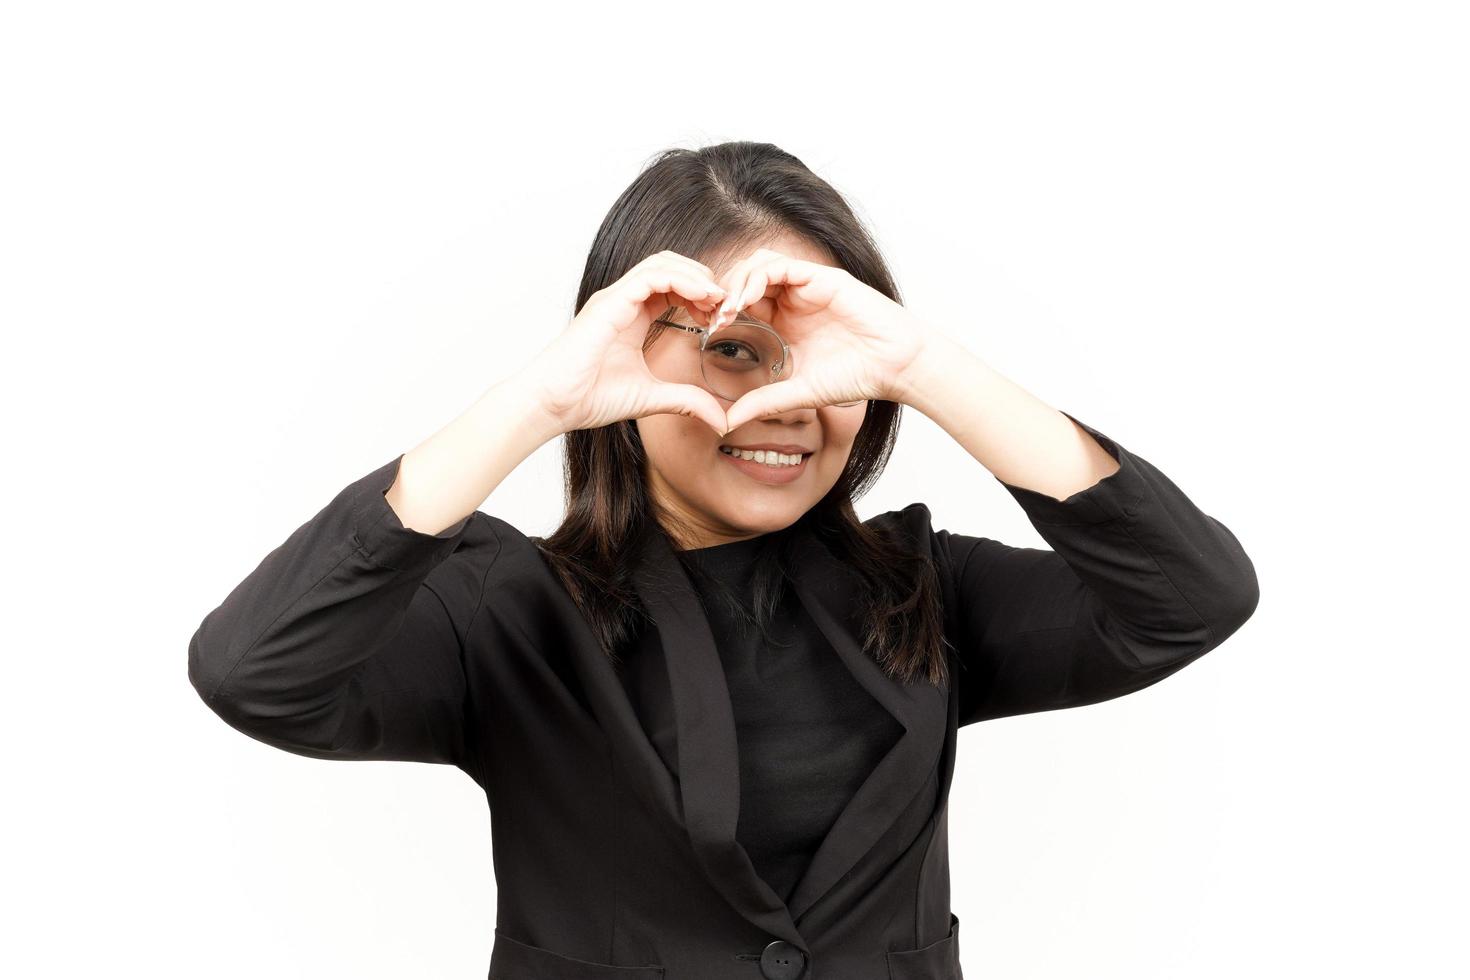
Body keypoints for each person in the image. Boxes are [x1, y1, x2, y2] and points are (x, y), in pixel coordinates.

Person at [187, 140, 1259, 979]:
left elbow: (1190, 595)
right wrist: (539, 401)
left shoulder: (930, 591)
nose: (785, 406)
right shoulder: (505, 614)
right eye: (733, 352)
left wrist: (922, 362)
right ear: (618, 353)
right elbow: (254, 669)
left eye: (824, 363)